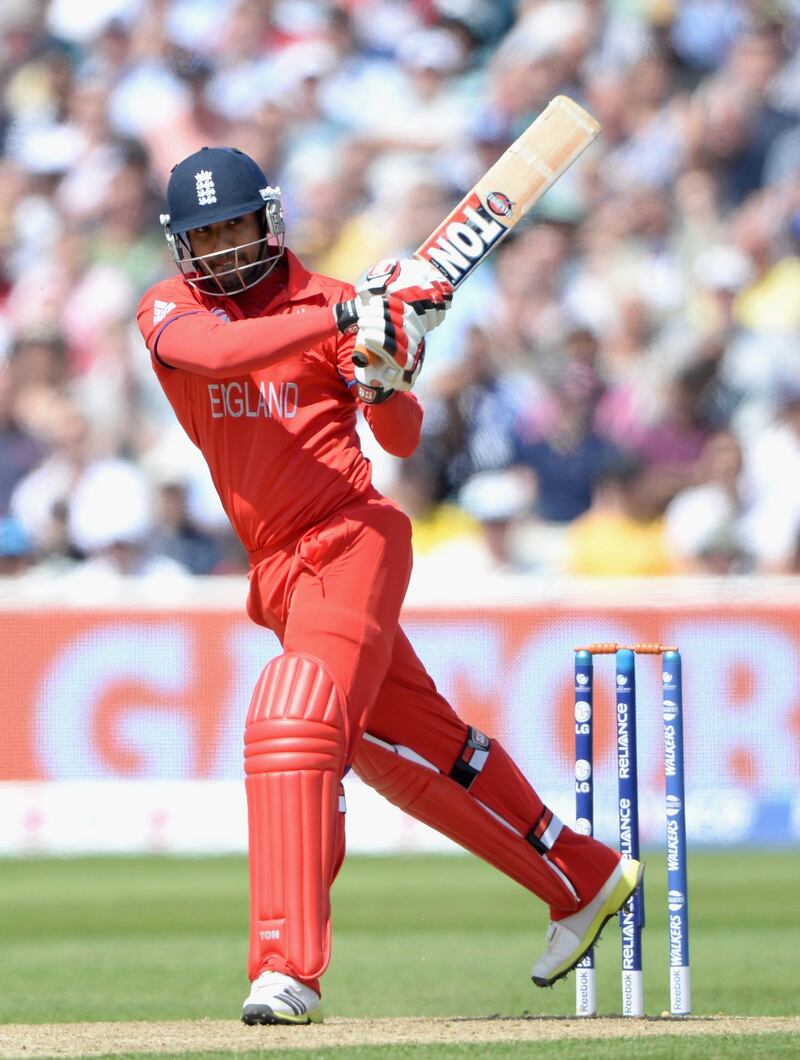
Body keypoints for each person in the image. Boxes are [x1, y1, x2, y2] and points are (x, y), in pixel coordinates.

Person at [136, 146, 641, 1026]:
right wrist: (348, 310)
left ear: (269, 220)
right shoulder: (171, 311)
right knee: (401, 746)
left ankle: (288, 969)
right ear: (182, 246)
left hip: (350, 544)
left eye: (234, 228)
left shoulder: (334, 305)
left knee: (294, 723)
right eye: (203, 236)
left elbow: (401, 440)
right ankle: (583, 876)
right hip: (280, 570)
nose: (221, 250)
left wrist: (384, 370)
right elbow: (220, 357)